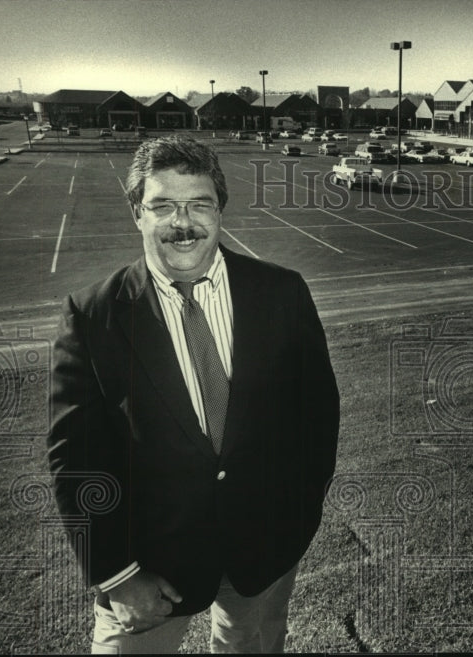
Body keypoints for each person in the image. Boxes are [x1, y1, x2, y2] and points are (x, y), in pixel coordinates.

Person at [47, 135, 340, 653]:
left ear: (220, 209)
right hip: (150, 569)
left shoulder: (282, 293)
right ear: (137, 213)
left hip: (264, 552)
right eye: (163, 205)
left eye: (199, 204)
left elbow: (316, 419)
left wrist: (296, 521)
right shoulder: (93, 316)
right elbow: (77, 458)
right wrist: (116, 575)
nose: (183, 223)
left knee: (249, 645)